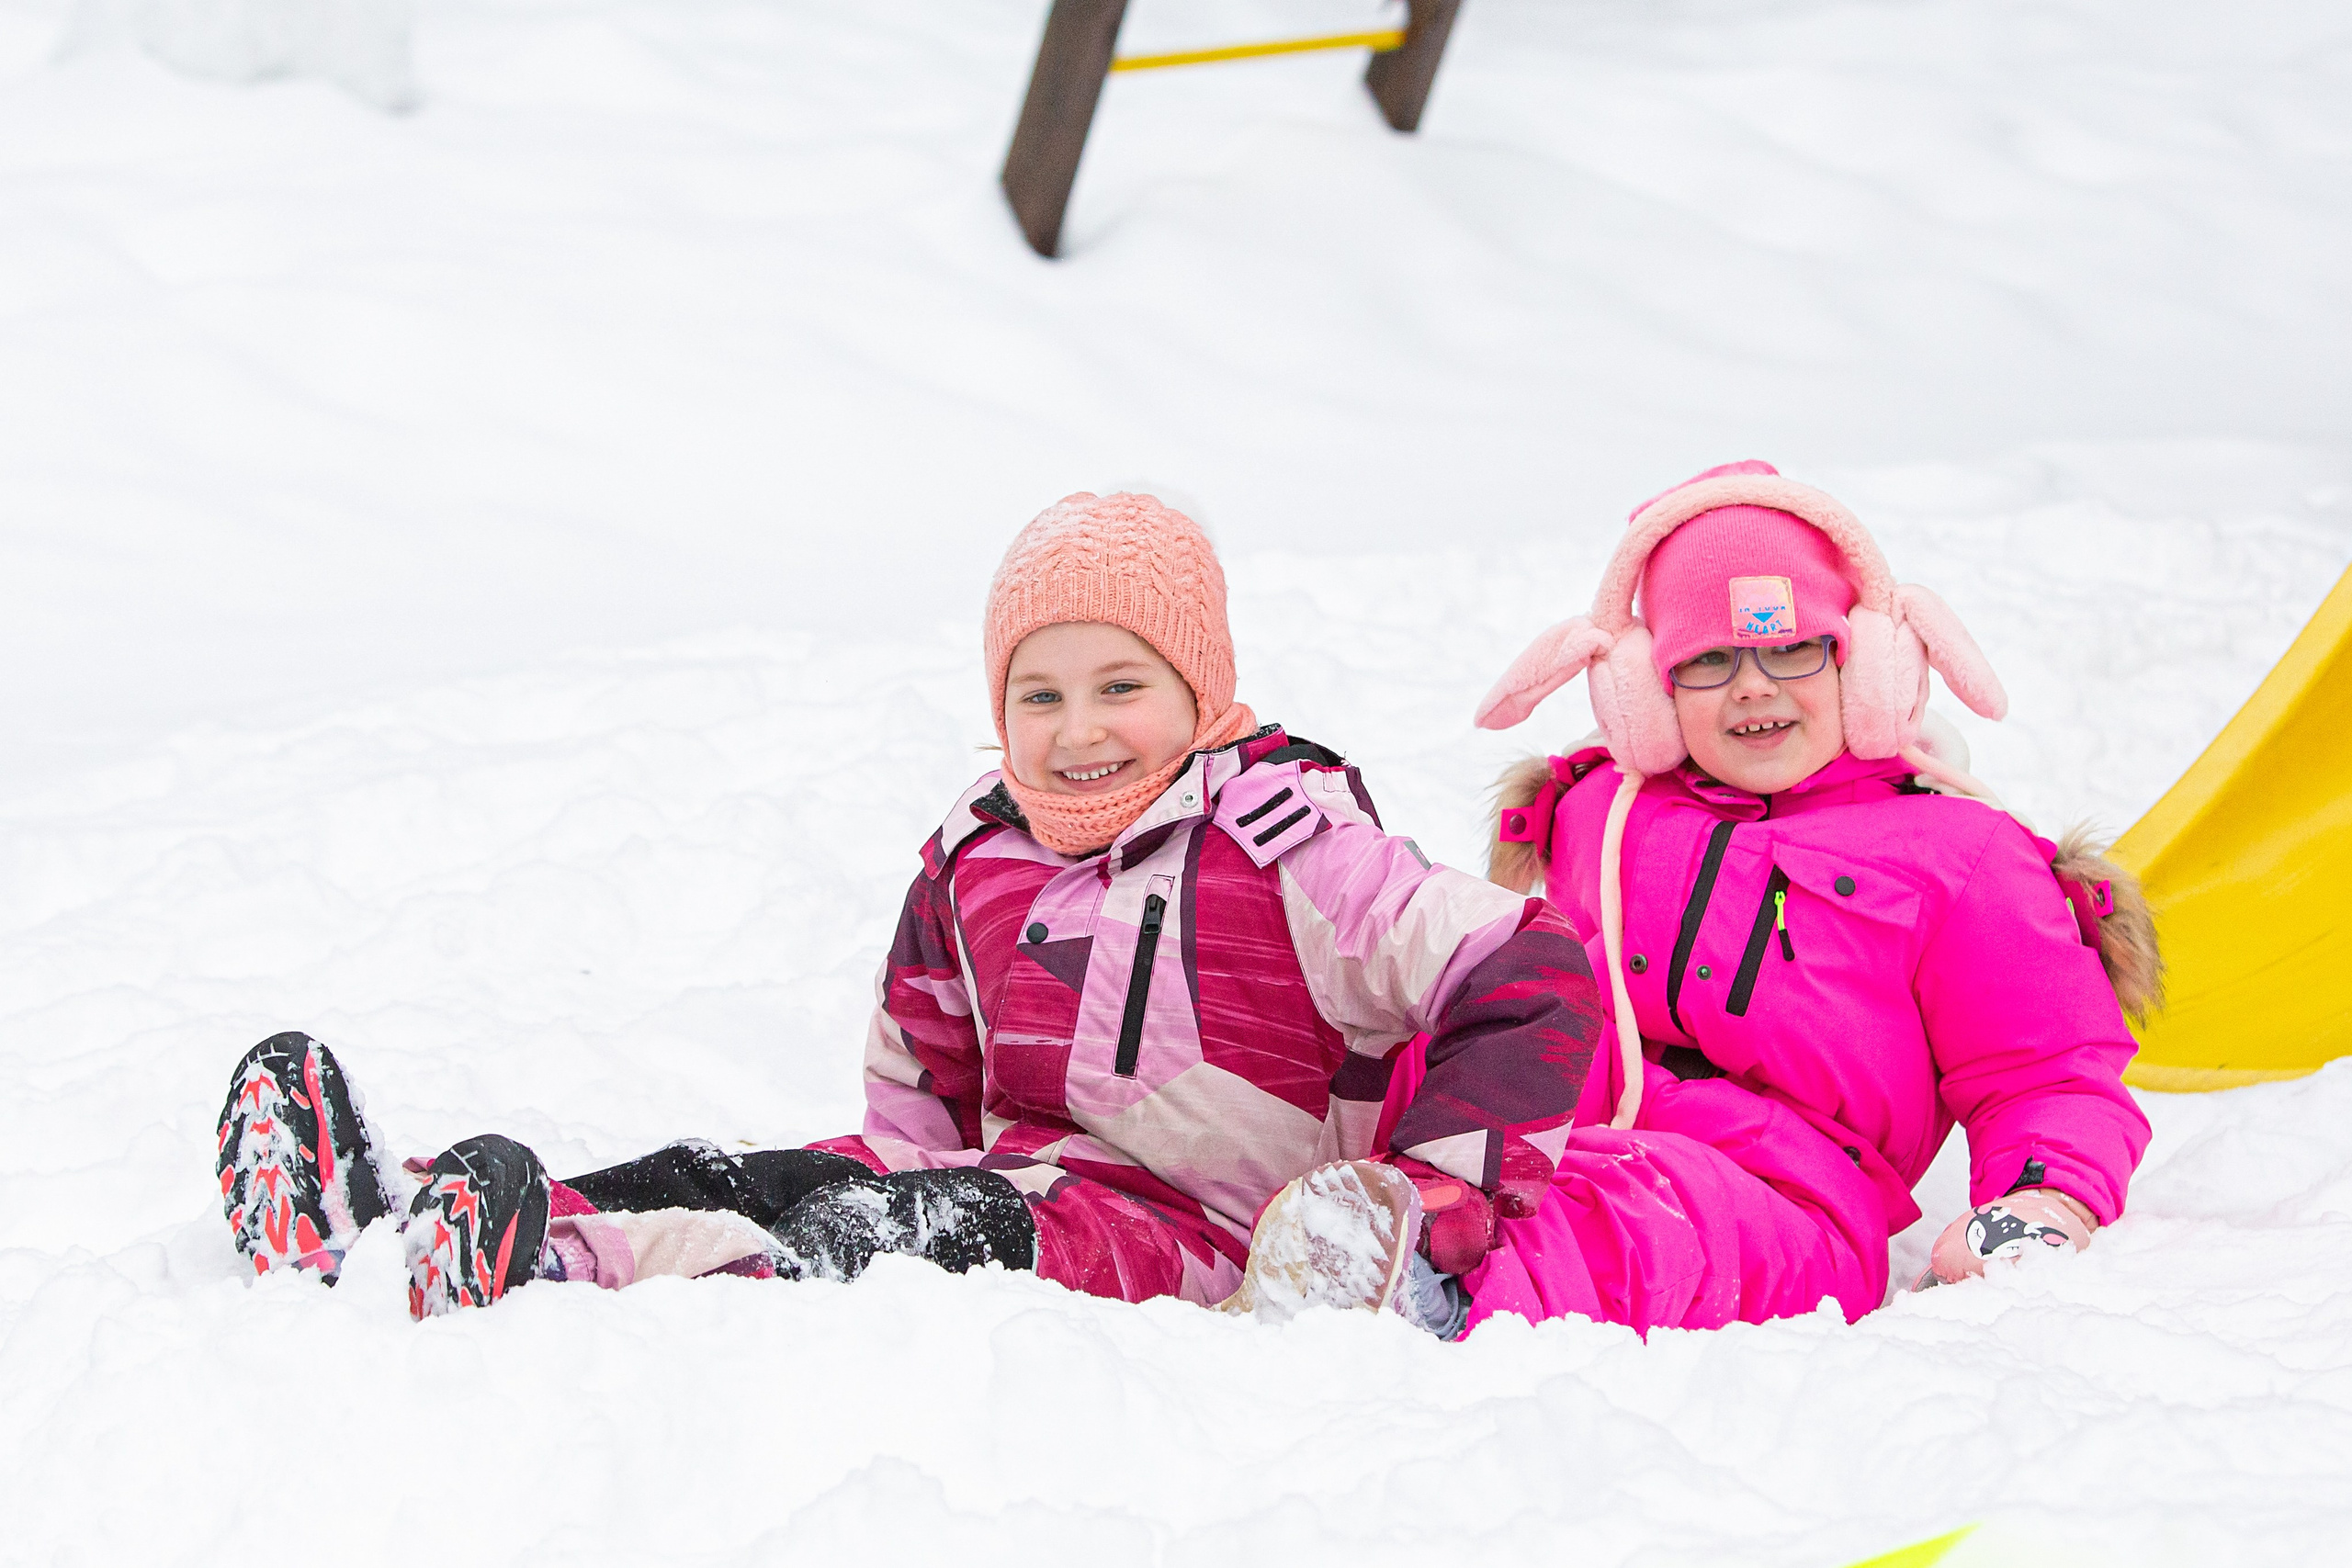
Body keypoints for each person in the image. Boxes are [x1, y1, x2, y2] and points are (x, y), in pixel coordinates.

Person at [217, 491, 1608, 1328]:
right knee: (758, 1175)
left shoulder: (1292, 842)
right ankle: (396, 1217)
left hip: (1195, 1239)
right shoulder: (979, 852)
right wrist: (881, 1165)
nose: (1079, 732)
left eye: (1122, 686)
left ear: (1200, 691)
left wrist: (1419, 1202)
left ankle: (550, 1274)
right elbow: (918, 1058)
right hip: (1012, 1182)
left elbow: (1533, 969)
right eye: (1039, 694)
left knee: (878, 1244)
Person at [1231, 460, 2156, 1334]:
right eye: (1708, 663)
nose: (1753, 688)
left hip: (1782, 1195)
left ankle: (1417, 1291)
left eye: (1792, 650)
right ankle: (1191, 1177)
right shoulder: (1607, 807)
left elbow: (2045, 1069)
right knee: (1374, 1051)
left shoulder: (1958, 853)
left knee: (1631, 1212)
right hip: (1554, 1121)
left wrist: (2044, 1196)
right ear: (1648, 689)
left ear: (1863, 663)